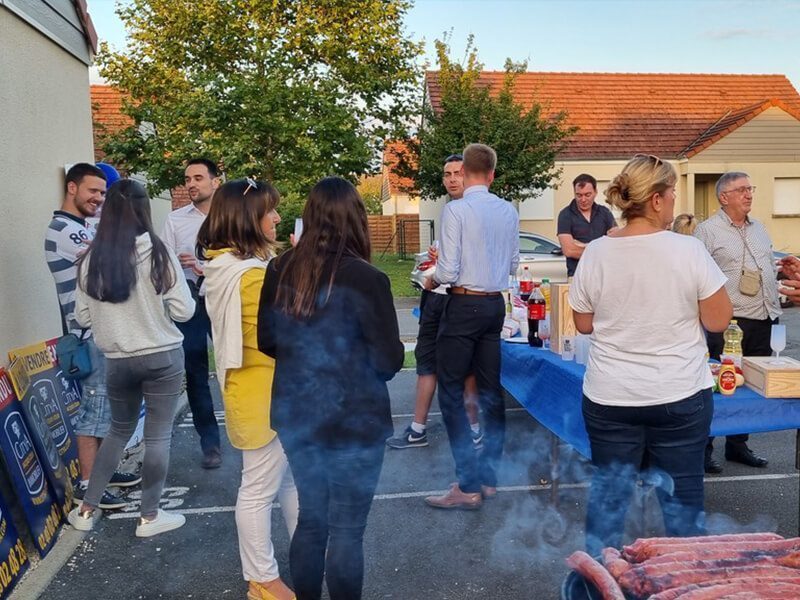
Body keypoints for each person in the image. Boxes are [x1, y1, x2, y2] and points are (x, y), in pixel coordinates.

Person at [569, 154, 732, 555]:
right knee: (682, 506)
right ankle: (684, 585)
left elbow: (584, 323)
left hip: (611, 396)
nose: (675, 202)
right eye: (673, 193)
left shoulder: (596, 253)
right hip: (679, 395)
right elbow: (718, 321)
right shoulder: (687, 250)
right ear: (657, 200)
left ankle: (598, 582)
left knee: (608, 502)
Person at [257, 177, 403, 600]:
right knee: (346, 529)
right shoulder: (367, 278)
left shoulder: (280, 267)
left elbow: (268, 341)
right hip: (355, 421)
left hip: (298, 415)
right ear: (355, 220)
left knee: (313, 520)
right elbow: (389, 359)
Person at [68, 179, 195, 537]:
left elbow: (83, 318)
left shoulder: (92, 258)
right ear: (143, 209)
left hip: (117, 360)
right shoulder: (158, 252)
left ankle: (86, 509)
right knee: (158, 437)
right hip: (162, 357)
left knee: (117, 431)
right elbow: (184, 311)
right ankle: (149, 517)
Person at [199, 179, 298, 600]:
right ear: (248, 220)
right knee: (260, 489)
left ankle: (306, 554)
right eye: (270, 211)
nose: (276, 217)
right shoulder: (252, 276)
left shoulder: (227, 266)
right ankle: (262, 580)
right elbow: (282, 336)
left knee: (291, 482)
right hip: (265, 394)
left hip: (259, 389)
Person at [423, 143, 519, 510]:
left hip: (463, 304)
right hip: (495, 304)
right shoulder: (508, 210)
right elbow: (512, 265)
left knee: (450, 392)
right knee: (491, 391)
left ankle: (468, 484)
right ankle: (490, 478)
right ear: (492, 174)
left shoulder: (457, 210)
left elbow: (447, 271)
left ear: (464, 173)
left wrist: (431, 280)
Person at [45, 163, 141, 512]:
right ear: (72, 188)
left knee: (107, 410)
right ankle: (89, 488)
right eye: (92, 191)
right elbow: (113, 263)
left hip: (102, 332)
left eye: (103, 193)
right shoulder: (63, 230)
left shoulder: (81, 228)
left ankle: (104, 473)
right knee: (94, 410)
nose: (98, 199)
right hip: (88, 335)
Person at [386, 153, 481, 450]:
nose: (452, 179)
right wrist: (436, 260)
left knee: (465, 368)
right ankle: (417, 430)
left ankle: (475, 430)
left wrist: (445, 264)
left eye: (457, 173)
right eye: (447, 174)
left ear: (470, 177)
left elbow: (478, 262)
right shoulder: (449, 209)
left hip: (460, 300)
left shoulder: (478, 212)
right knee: (426, 363)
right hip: (434, 298)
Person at [695, 172, 780, 473]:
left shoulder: (760, 228)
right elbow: (699, 279)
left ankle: (737, 444)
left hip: (764, 316)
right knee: (719, 385)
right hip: (729, 322)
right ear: (723, 197)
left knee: (752, 384)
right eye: (741, 189)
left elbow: (768, 266)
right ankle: (704, 448)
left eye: (750, 188)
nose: (748, 195)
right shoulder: (707, 232)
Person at [162, 158, 222, 469]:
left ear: (216, 181)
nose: (191, 184)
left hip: (226, 300)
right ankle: (210, 444)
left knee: (235, 366)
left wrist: (206, 267)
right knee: (195, 373)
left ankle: (255, 433)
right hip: (190, 305)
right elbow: (166, 268)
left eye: (198, 177)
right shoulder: (175, 221)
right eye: (187, 179)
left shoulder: (233, 216)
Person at [557, 173, 617, 277]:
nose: (583, 200)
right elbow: (569, 250)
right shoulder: (565, 215)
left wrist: (583, 245)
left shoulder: (605, 212)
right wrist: (601, 248)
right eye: (579, 195)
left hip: (603, 275)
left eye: (587, 195)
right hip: (577, 275)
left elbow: (615, 244)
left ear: (595, 192)